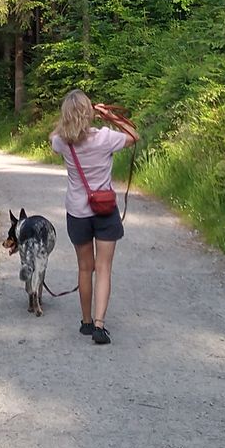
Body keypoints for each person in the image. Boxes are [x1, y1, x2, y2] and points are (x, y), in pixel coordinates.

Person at [50, 88, 138, 345]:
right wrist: (109, 116)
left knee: (85, 267)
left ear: (66, 116)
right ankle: (100, 324)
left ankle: (86, 322)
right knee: (104, 268)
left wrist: (66, 121)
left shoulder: (63, 142)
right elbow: (134, 135)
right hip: (105, 210)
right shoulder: (105, 137)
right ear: (89, 112)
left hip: (77, 212)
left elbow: (52, 136)